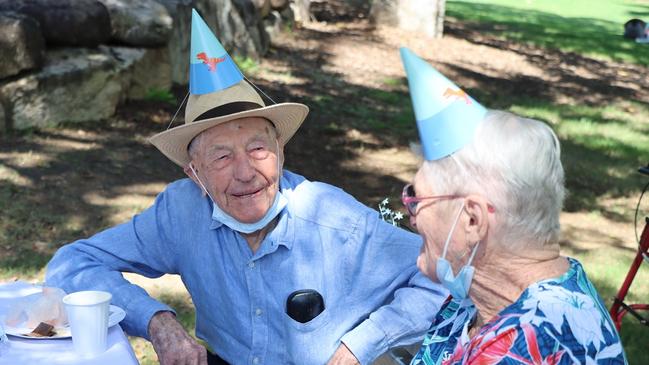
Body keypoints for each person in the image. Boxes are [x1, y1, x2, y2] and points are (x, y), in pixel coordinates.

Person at [45, 11, 446, 365]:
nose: (245, 172)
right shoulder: (181, 212)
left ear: (281, 153)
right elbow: (72, 264)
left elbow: (443, 278)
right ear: (194, 173)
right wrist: (157, 321)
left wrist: (364, 344)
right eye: (221, 157)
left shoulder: (334, 219)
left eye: (258, 148)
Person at [398, 48, 627, 364]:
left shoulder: (522, 346)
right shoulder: (480, 298)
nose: (410, 213)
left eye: (417, 199)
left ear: (473, 220)